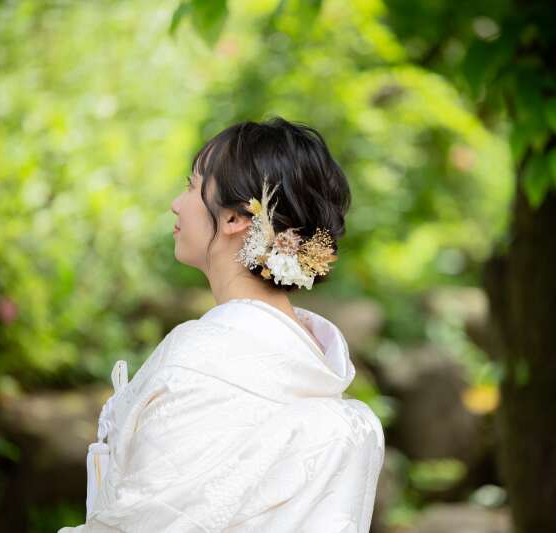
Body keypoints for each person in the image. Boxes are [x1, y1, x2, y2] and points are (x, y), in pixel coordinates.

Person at [58, 117, 385, 532]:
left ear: (234, 218)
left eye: (194, 186)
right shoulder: (317, 367)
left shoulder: (198, 361)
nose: (177, 203)